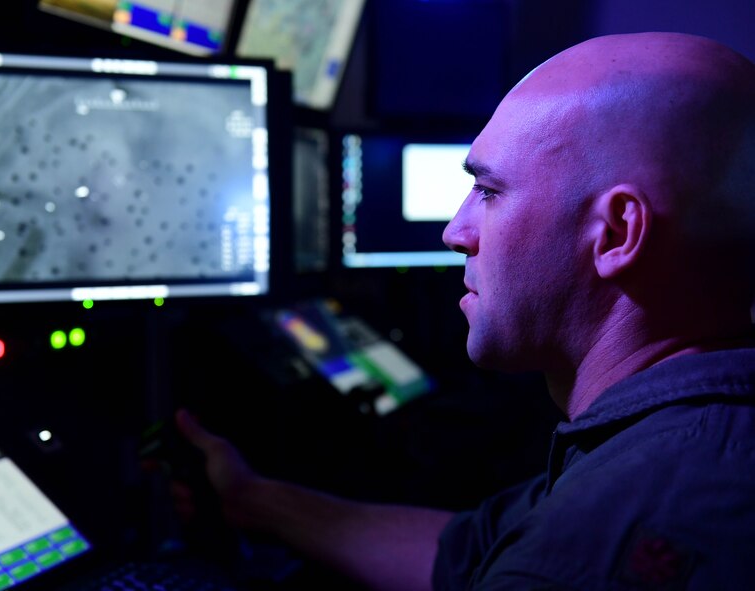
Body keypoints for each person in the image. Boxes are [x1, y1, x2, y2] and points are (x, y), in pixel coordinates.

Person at [173, 32, 755, 590]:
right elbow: (466, 551)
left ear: (617, 233)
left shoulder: (588, 548)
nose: (455, 232)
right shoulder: (678, 428)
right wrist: (250, 499)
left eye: (490, 192)